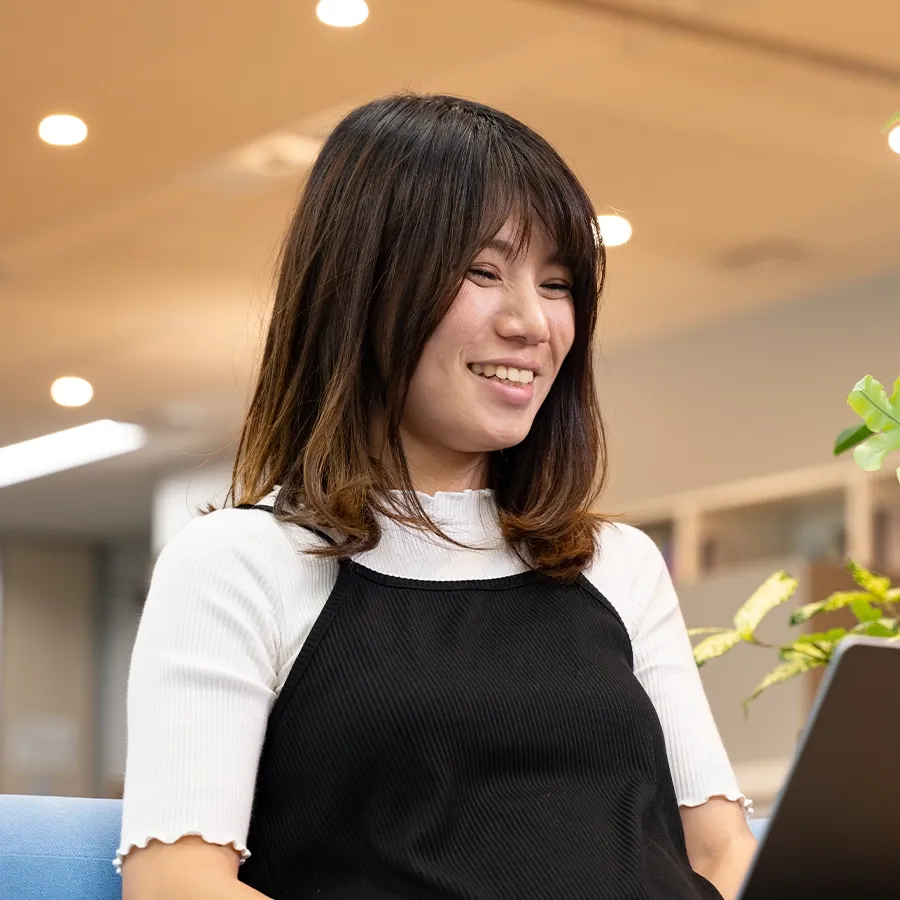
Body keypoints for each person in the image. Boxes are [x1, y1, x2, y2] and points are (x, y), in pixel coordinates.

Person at [118, 94, 756, 900]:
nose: (532, 322)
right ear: (363, 285)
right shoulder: (241, 563)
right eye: (482, 271)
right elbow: (177, 884)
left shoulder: (616, 564)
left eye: (558, 284)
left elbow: (723, 854)